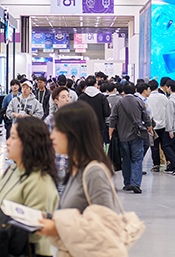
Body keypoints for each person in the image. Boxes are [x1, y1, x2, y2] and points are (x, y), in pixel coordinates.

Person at [0, 117, 59, 257]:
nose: (7, 141)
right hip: (3, 248)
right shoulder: (12, 171)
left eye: (13, 137)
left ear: (29, 142)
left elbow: (35, 230)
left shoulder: (40, 181)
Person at [37, 102, 118, 242]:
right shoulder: (76, 169)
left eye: (57, 130)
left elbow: (106, 226)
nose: (52, 136)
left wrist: (58, 228)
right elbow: (75, 215)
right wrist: (46, 218)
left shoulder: (94, 173)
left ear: (74, 133)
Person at [109, 82, 152, 194]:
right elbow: (146, 117)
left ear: (123, 91)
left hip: (123, 136)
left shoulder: (119, 102)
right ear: (135, 90)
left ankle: (127, 183)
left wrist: (110, 133)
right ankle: (135, 183)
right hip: (137, 135)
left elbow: (113, 118)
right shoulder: (139, 101)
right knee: (137, 159)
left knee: (126, 159)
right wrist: (150, 128)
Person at [78, 76, 111, 144]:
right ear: (95, 84)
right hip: (99, 128)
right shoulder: (102, 97)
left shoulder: (81, 97)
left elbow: (78, 114)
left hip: (85, 128)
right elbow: (107, 113)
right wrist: (109, 107)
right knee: (98, 147)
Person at [147, 79, 168, 172]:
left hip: (153, 126)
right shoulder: (163, 97)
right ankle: (168, 163)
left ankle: (156, 165)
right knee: (165, 145)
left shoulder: (148, 99)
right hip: (163, 125)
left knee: (154, 146)